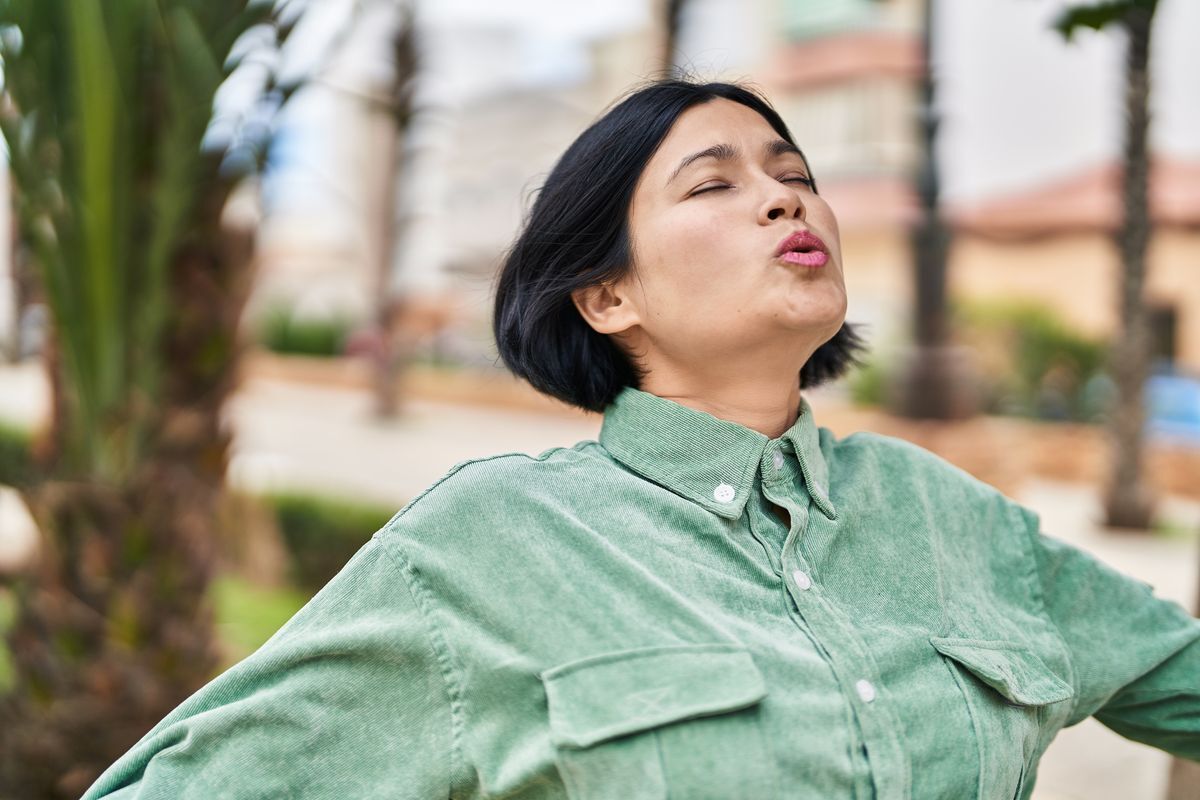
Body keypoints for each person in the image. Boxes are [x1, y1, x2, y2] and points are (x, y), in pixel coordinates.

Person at [83, 79, 1199, 800]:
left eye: (795, 173)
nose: (783, 199)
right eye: (715, 183)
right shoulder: (492, 543)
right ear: (608, 294)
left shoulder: (948, 515)